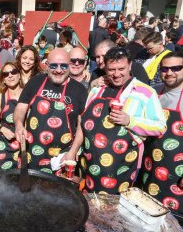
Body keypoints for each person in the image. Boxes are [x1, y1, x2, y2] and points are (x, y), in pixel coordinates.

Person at [65, 47, 167, 193]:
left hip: (120, 168)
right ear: (105, 68)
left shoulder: (145, 92)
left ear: (130, 66)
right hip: (87, 163)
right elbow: (83, 122)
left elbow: (160, 126)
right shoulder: (97, 90)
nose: (117, 74)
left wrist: (130, 121)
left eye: (121, 68)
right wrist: (73, 150)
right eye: (111, 70)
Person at [14, 48, 88, 174]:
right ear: (47, 66)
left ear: (69, 66)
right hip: (32, 154)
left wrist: (72, 152)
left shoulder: (80, 90)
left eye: (63, 66)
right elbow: (21, 107)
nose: (58, 70)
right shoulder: (36, 81)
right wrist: (19, 124)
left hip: (60, 159)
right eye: (54, 65)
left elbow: (82, 125)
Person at [141, 51, 183, 214]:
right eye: (164, 69)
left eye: (176, 68)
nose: (169, 73)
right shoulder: (153, 91)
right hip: (150, 167)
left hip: (176, 171)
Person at [0, 62, 23, 171]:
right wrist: (3, 129)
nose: (10, 75)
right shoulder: (0, 98)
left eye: (13, 72)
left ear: (19, 75)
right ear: (3, 79)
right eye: (6, 74)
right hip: (2, 147)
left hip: (23, 147)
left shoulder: (28, 96)